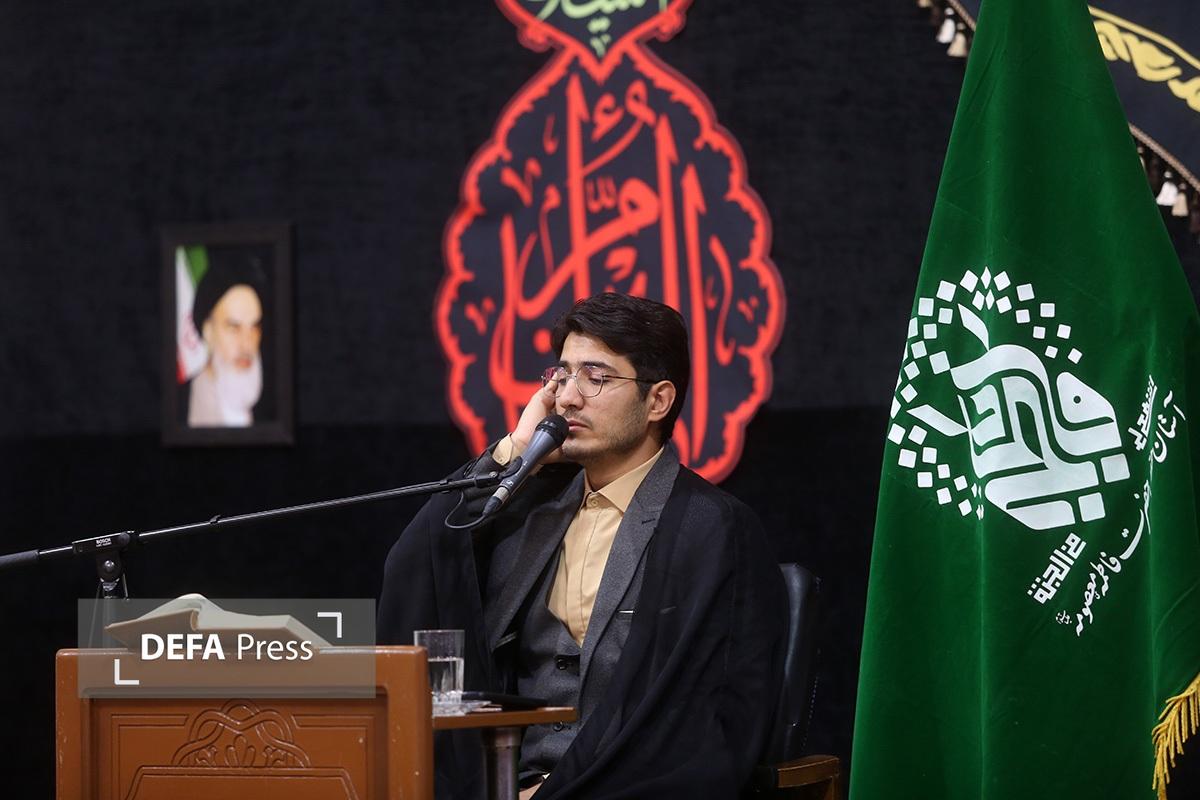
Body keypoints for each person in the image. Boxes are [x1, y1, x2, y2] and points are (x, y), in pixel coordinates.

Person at [378, 293, 786, 799]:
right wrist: (513, 451)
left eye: (596, 378)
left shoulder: (712, 528)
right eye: (562, 375)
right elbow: (424, 567)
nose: (568, 398)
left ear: (658, 401)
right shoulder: (532, 512)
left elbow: (701, 721)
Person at [184, 253, 266, 427]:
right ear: (208, 331)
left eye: (254, 328)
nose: (247, 345)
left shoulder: (271, 406)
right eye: (234, 328)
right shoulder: (180, 406)